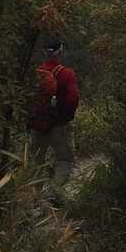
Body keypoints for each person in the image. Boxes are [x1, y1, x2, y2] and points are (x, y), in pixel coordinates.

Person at [27, 38, 79, 189]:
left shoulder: (36, 73)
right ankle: (52, 193)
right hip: (59, 125)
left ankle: (34, 197)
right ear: (60, 52)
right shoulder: (67, 73)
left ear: (44, 52)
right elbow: (73, 99)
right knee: (64, 160)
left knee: (35, 162)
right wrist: (66, 118)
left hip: (37, 124)